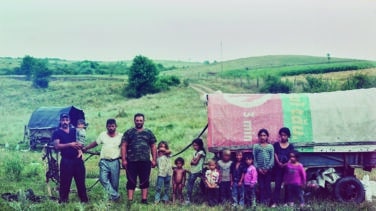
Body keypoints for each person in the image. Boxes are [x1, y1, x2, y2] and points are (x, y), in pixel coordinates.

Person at [121, 113, 157, 205]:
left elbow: (153, 146)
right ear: (134, 121)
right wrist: (124, 159)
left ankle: (144, 200)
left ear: (144, 121)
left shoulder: (149, 132)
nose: (139, 122)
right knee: (131, 180)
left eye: (141, 120)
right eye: (137, 120)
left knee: (145, 180)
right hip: (131, 161)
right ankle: (130, 200)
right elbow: (124, 146)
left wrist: (154, 159)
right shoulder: (128, 132)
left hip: (145, 161)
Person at [53, 113, 88, 203]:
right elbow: (57, 146)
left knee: (81, 181)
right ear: (60, 121)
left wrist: (80, 150)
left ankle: (84, 201)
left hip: (77, 160)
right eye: (63, 120)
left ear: (69, 121)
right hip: (66, 160)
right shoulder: (57, 132)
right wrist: (70, 144)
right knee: (65, 182)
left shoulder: (74, 130)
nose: (65, 122)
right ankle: (64, 201)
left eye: (66, 120)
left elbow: (80, 141)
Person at [83, 119, 122, 201]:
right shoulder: (103, 135)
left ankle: (113, 199)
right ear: (106, 126)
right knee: (102, 179)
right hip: (104, 161)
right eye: (109, 126)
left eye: (112, 126)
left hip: (115, 162)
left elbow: (125, 147)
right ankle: (116, 195)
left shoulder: (121, 136)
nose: (111, 128)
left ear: (116, 126)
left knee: (114, 183)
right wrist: (86, 148)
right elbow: (95, 143)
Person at [272, 127, 294, 207]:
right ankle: (275, 202)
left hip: (287, 169)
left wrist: (285, 164)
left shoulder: (290, 146)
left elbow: (292, 157)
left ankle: (286, 202)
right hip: (278, 169)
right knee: (277, 185)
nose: (283, 137)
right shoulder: (276, 145)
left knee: (287, 185)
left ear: (288, 136)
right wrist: (278, 163)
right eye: (281, 135)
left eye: (285, 135)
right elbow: (275, 154)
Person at [253, 128, 274, 205]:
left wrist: (268, 168)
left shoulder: (270, 146)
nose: (262, 137)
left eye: (264, 135)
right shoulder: (256, 146)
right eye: (261, 135)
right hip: (259, 170)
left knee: (267, 186)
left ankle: (269, 202)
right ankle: (261, 202)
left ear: (267, 136)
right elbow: (254, 158)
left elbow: (272, 158)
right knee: (261, 186)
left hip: (268, 171)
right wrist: (258, 168)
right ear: (259, 137)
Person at [185, 138, 206, 205]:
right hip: (193, 170)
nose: (194, 147)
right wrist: (192, 161)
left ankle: (204, 197)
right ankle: (188, 199)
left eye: (196, 145)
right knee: (189, 185)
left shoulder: (201, 152)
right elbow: (192, 162)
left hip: (198, 170)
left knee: (202, 183)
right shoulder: (195, 152)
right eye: (193, 145)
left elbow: (195, 162)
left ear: (200, 145)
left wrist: (193, 161)